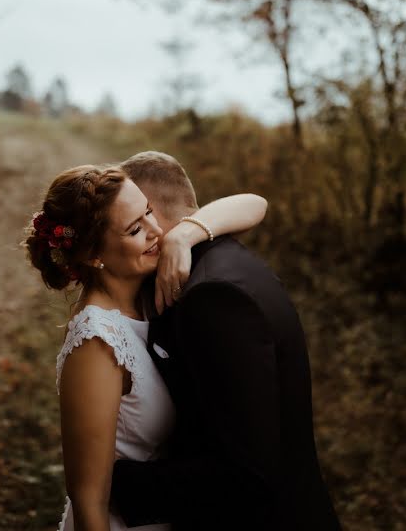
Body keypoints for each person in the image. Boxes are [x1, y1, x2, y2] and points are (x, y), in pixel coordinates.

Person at [23, 163, 268, 531]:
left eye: (149, 212)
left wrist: (185, 234)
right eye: (136, 229)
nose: (157, 232)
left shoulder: (145, 296)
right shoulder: (97, 341)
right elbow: (89, 500)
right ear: (94, 255)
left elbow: (255, 204)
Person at [110, 151, 341, 530]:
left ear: (150, 213)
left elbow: (245, 473)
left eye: (135, 217)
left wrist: (117, 485)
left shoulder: (212, 298)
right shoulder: (227, 258)